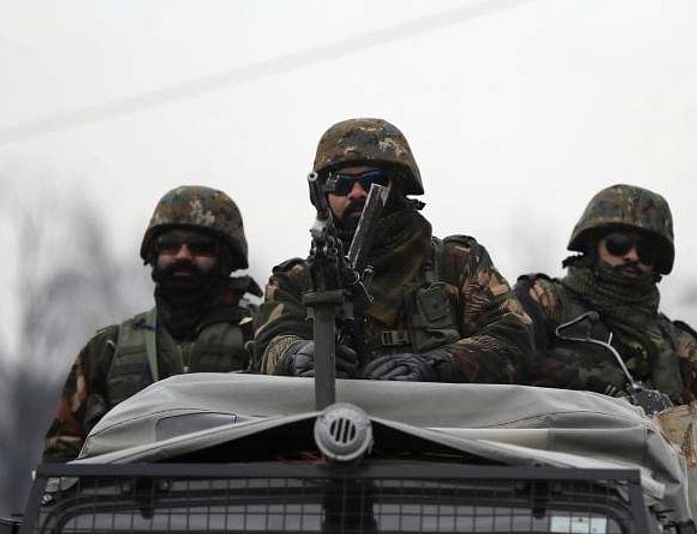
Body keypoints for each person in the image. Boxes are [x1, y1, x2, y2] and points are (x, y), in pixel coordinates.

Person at [252, 117, 531, 383]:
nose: (357, 193)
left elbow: (515, 339)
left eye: (372, 179)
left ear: (397, 186)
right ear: (322, 194)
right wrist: (298, 357)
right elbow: (267, 347)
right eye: (341, 183)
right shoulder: (298, 280)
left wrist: (438, 365)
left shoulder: (456, 263)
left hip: (437, 427)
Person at [515, 184, 697, 479]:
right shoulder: (545, 302)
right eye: (619, 244)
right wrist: (605, 397)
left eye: (646, 251)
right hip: (544, 478)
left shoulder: (677, 347)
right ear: (593, 245)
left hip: (648, 501)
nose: (632, 256)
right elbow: (507, 367)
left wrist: (674, 453)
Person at [42, 185, 261, 462]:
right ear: (152, 256)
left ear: (227, 259)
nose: (182, 256)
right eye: (169, 245)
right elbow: (61, 456)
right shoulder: (108, 349)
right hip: (127, 502)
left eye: (200, 247)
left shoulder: (261, 337)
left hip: (241, 502)